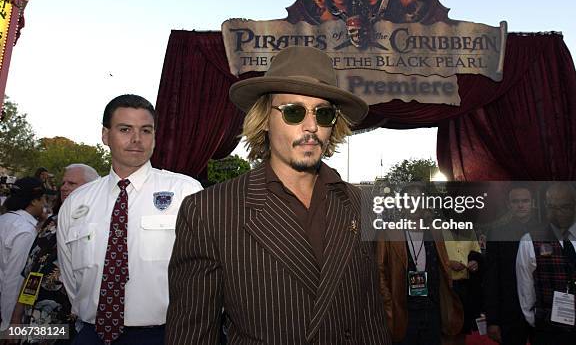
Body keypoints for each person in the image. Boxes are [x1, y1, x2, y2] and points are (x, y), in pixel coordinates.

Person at [165, 46, 391, 344]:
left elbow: (370, 319)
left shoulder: (360, 203)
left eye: (323, 113)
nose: (311, 127)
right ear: (264, 120)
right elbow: (191, 334)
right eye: (294, 111)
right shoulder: (209, 211)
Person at [57, 94, 203, 345]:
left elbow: (207, 270)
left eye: (146, 130)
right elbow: (70, 277)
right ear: (105, 135)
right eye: (125, 129)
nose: (137, 139)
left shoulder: (185, 192)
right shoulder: (76, 202)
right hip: (93, 334)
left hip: (166, 335)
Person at [9, 164, 100, 344]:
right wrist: (16, 319)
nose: (64, 187)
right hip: (32, 323)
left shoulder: (98, 225)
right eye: (63, 182)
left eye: (71, 183)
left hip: (70, 326)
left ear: (92, 188)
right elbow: (31, 271)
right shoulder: (51, 222)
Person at [516, 182, 576, 345]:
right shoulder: (529, 241)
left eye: (565, 207)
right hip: (550, 333)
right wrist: (539, 323)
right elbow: (526, 290)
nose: (558, 213)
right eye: (552, 207)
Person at [377, 182, 463, 345]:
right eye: (410, 200)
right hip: (404, 311)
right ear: (402, 205)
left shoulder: (435, 232)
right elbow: (380, 271)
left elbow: (442, 265)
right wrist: (389, 305)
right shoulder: (388, 233)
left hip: (432, 309)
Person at [484, 185, 537, 344]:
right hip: (510, 310)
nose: (520, 205)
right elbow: (491, 278)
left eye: (525, 201)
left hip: (542, 308)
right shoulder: (497, 233)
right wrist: (492, 319)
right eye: (515, 201)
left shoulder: (545, 231)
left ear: (532, 203)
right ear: (509, 204)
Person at [0, 178, 50, 332]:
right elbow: (15, 278)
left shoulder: (4, 220)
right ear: (34, 201)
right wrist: (9, 324)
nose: (45, 205)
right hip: (7, 311)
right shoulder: (25, 231)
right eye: (43, 200)